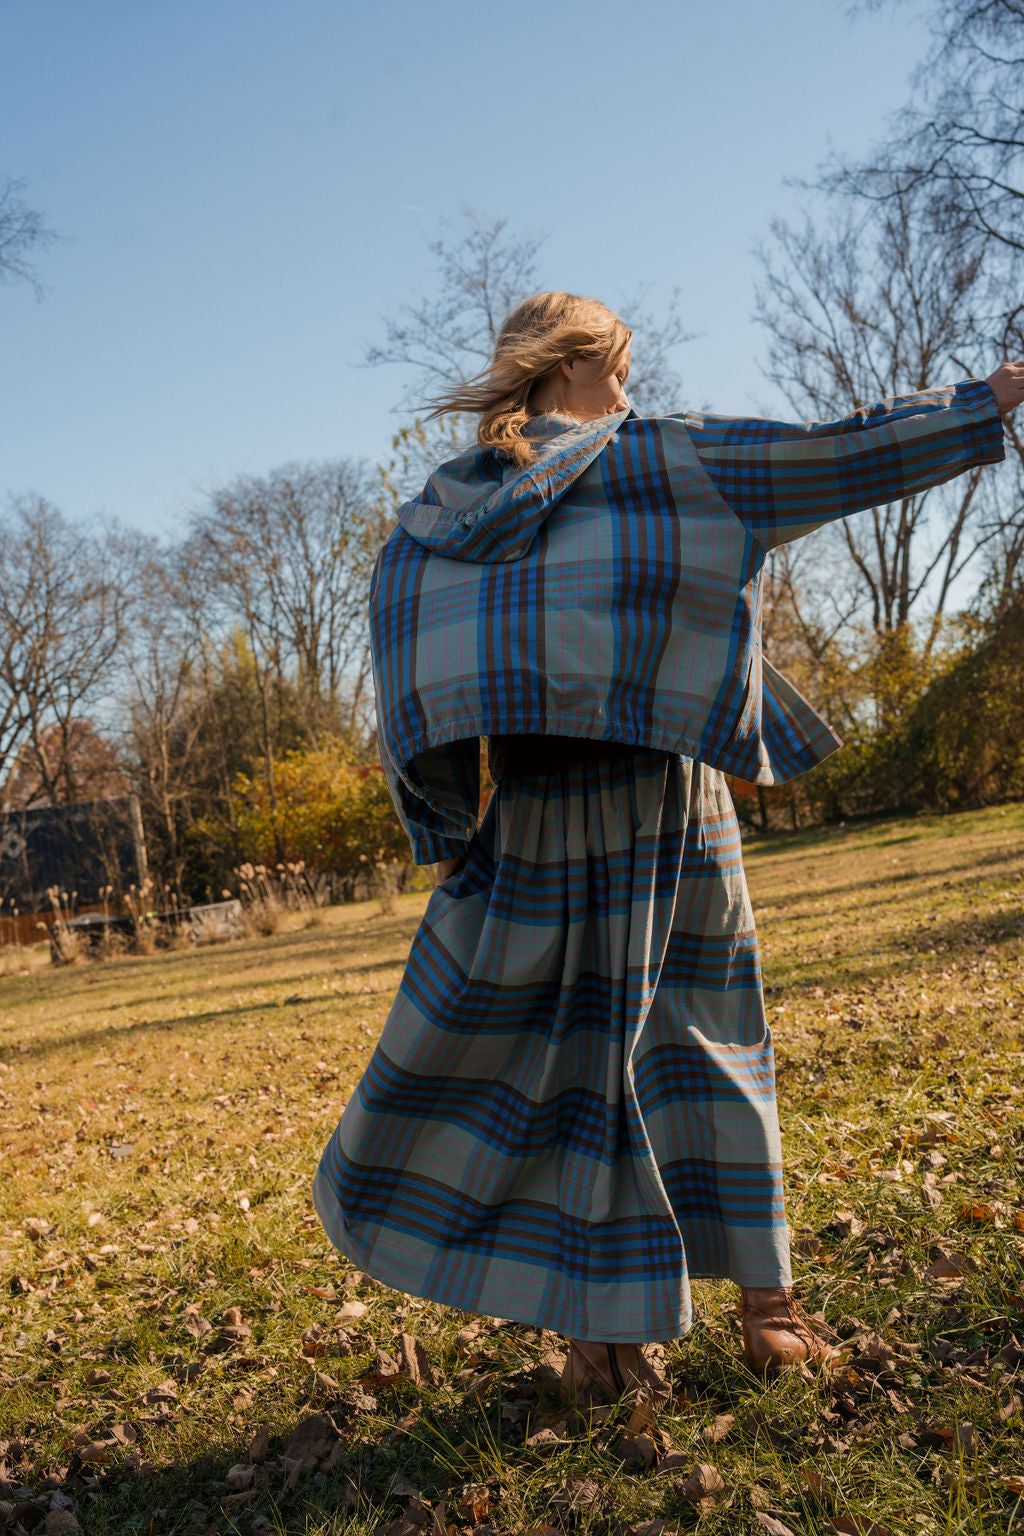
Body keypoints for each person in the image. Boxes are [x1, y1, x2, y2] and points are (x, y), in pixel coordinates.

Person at [314, 291, 1023, 1406]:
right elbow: (830, 455)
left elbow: (405, 652)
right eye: (619, 369)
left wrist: (444, 823)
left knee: (647, 1052)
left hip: (636, 807)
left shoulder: (443, 514)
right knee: (635, 1058)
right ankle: (629, 1332)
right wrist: (984, 399)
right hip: (576, 821)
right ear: (570, 366)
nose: (630, 393)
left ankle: (750, 1304)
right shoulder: (508, 499)